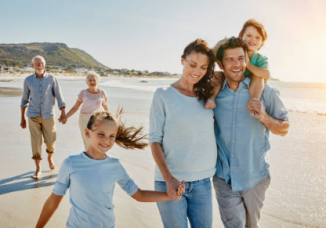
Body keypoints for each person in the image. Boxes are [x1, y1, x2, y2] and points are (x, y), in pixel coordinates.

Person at [35, 109, 185, 228]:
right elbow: (53, 201)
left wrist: (169, 195)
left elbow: (139, 195)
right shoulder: (71, 163)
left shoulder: (115, 166)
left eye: (111, 136)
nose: (106, 140)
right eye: (101, 134)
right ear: (87, 133)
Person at [212, 37, 290, 228]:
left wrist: (264, 117)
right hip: (224, 178)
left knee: (252, 226)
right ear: (221, 64)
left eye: (241, 58)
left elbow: (284, 128)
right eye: (230, 60)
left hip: (255, 177)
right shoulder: (214, 94)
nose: (237, 64)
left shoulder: (265, 92)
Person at [149, 39, 218, 228]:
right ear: (182, 61)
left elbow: (224, 70)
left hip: (203, 182)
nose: (197, 71)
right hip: (170, 181)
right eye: (192, 64)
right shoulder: (163, 94)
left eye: (204, 67)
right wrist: (168, 178)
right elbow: (155, 140)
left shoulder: (207, 95)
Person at [205, 19, 270, 116]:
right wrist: (219, 44)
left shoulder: (260, 58)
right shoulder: (233, 49)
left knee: (258, 77)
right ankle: (211, 98)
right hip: (233, 80)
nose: (253, 39)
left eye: (258, 37)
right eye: (249, 35)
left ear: (262, 43)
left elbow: (266, 74)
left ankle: (254, 102)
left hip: (252, 84)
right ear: (241, 37)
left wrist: (248, 65)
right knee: (218, 75)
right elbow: (208, 59)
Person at [20, 55, 66, 179]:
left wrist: (63, 112)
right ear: (33, 65)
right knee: (35, 143)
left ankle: (50, 158)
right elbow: (24, 100)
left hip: (48, 115)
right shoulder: (28, 80)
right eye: (37, 63)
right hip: (33, 115)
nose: (39, 65)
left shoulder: (52, 79)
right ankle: (38, 168)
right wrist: (22, 118)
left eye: (41, 63)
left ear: (44, 64)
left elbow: (59, 96)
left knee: (51, 142)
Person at [62, 71, 108, 149]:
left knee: (97, 140)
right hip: (84, 120)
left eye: (94, 80)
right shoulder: (83, 93)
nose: (92, 82)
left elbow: (105, 108)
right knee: (87, 141)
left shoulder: (102, 93)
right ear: (87, 82)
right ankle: (90, 158)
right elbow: (75, 108)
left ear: (98, 81)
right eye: (90, 80)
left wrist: (110, 120)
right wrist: (65, 117)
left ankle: (97, 157)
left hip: (98, 120)